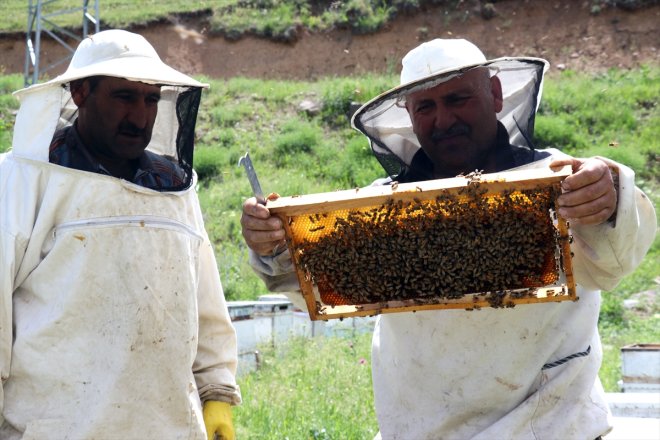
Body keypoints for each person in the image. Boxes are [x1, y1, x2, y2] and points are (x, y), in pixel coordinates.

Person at [240, 38, 656, 439]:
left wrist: (610, 193)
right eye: (426, 107)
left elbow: (616, 260)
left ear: (494, 94)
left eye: (458, 99)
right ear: (410, 116)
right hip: (423, 425)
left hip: (548, 424)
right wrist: (274, 247)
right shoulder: (379, 206)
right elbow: (319, 288)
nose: (443, 120)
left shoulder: (559, 179)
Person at [0, 29, 241, 439]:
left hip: (168, 426)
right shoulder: (22, 179)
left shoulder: (173, 188)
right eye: (124, 97)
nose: (141, 116)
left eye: (151, 99)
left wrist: (216, 391)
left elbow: (203, 300)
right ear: (80, 94)